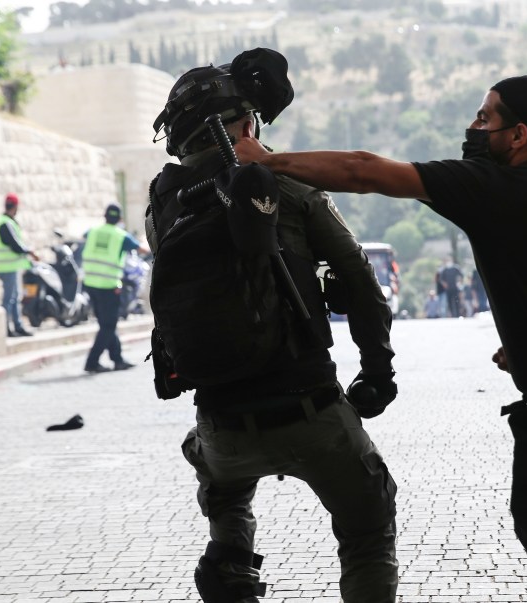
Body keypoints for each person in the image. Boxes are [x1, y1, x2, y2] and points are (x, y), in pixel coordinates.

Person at [235, 74, 527, 603]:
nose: (473, 128)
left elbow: (364, 171)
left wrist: (268, 162)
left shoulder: (492, 187)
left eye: (484, 118)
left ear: (518, 135)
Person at [148, 48, 399, 602]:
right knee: (368, 528)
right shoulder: (284, 185)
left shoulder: (163, 203)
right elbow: (360, 281)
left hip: (221, 423)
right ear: (245, 124)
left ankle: (231, 565)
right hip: (310, 409)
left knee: (224, 490)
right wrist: (377, 372)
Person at [81, 203, 147, 373]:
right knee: (109, 325)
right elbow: (142, 250)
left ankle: (117, 359)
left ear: (105, 216)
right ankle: (92, 362)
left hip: (90, 284)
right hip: (108, 286)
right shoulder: (121, 236)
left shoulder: (93, 231)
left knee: (106, 324)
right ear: (119, 219)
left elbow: (83, 238)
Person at [0, 193, 39, 337]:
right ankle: (7, 327)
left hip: (8, 267)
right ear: (15, 206)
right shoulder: (5, 223)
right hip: (7, 267)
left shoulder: (7, 221)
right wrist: (30, 251)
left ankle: (16, 326)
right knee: (9, 299)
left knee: (14, 297)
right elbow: (15, 245)